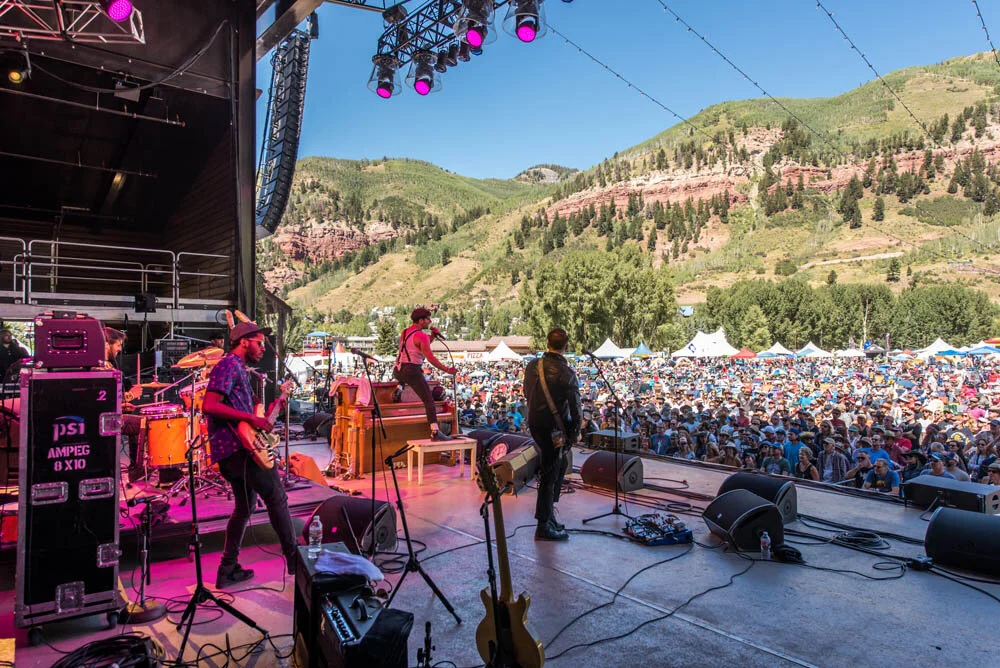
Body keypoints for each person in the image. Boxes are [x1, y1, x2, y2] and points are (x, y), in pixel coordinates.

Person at [203, 321, 297, 588]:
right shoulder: (228, 365)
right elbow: (209, 404)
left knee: (245, 507)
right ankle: (295, 560)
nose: (262, 348)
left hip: (237, 448)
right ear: (244, 342)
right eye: (258, 342)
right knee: (276, 496)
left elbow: (251, 418)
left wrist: (270, 410)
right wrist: (250, 419)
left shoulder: (240, 370)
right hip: (236, 449)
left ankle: (227, 568)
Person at [523, 328, 580, 542]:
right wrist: (574, 434)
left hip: (536, 424)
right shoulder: (566, 373)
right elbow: (576, 408)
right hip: (555, 429)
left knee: (559, 465)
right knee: (549, 473)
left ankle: (548, 515)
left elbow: (527, 392)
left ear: (547, 343)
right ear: (566, 346)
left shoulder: (532, 366)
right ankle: (543, 525)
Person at [392, 307, 457, 441]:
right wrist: (447, 370)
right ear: (421, 321)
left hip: (398, 370)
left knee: (404, 376)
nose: (430, 321)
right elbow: (431, 358)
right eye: (427, 319)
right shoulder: (421, 336)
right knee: (429, 400)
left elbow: (417, 345)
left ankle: (399, 388)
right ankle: (435, 432)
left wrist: (432, 336)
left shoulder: (405, 332)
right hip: (411, 371)